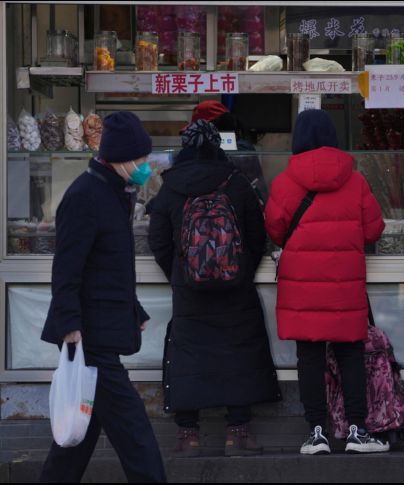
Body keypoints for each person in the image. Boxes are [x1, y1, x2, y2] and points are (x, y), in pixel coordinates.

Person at [39, 112, 166, 482]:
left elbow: (108, 266)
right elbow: (67, 269)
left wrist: (134, 307)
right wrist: (68, 324)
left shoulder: (115, 192)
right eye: (141, 160)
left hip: (105, 327)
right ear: (122, 158)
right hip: (91, 337)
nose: (145, 167)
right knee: (134, 432)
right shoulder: (85, 196)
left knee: (77, 438)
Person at [148, 120, 281, 457]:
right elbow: (257, 235)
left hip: (189, 290)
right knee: (238, 351)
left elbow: (158, 241)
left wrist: (181, 271)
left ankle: (188, 435)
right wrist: (240, 271)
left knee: (188, 354)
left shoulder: (171, 186)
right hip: (235, 288)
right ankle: (237, 433)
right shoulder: (236, 182)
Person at [264, 109, 389, 455]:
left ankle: (316, 433)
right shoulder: (356, 179)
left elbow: (275, 229)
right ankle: (357, 431)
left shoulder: (285, 181)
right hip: (344, 284)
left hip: (301, 284)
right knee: (350, 355)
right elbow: (374, 229)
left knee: (310, 357)